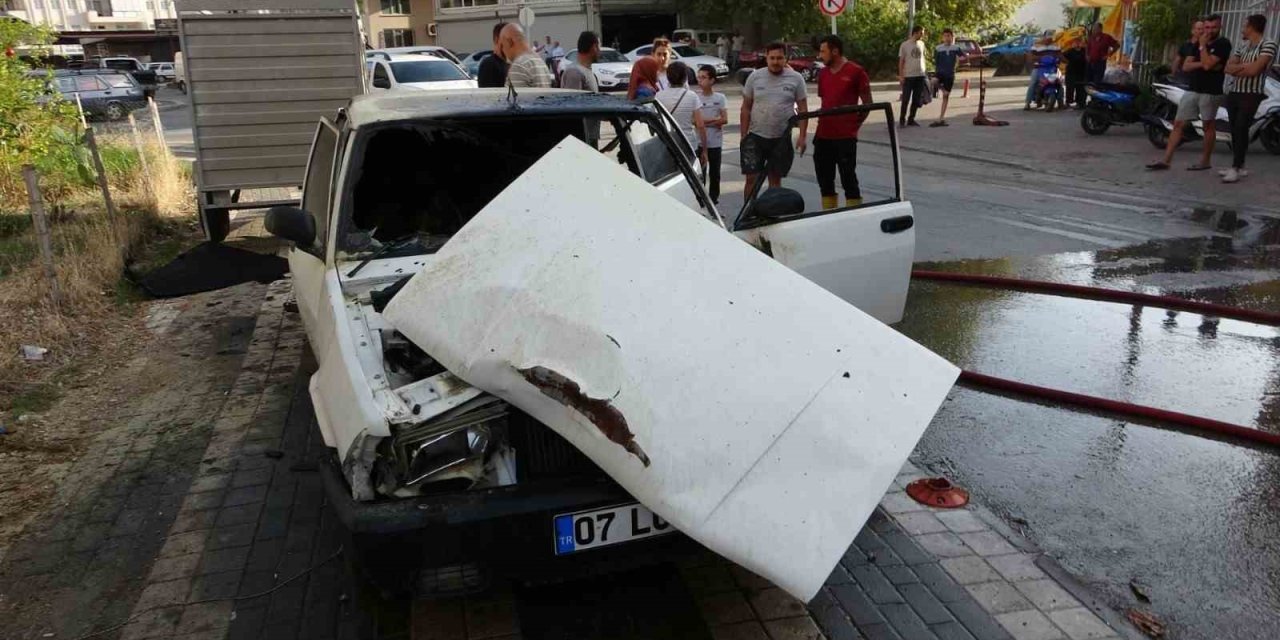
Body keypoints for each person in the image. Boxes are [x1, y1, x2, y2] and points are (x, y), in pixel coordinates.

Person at [1147, 14, 1231, 171]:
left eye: (1214, 27)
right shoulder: (1196, 43)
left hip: (1211, 91)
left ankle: (1205, 161)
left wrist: (1203, 48)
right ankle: (1166, 160)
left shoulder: (1223, 44)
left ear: (1220, 27)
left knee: (1208, 125)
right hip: (1193, 88)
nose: (1209, 30)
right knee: (1178, 123)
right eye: (1207, 27)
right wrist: (1205, 62)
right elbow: (1187, 66)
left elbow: (1207, 65)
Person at [741, 42, 809, 196]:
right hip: (755, 136)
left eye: (779, 58)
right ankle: (749, 214)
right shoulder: (755, 77)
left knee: (775, 178)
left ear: (786, 59)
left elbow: (803, 109)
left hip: (781, 139)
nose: (775, 62)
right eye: (772, 58)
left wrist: (803, 136)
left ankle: (772, 213)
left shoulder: (796, 78)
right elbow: (745, 107)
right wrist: (743, 136)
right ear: (766, 58)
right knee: (751, 178)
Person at [814, 34, 872, 210]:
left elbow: (867, 104)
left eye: (823, 51)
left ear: (835, 51)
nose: (819, 55)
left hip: (845, 137)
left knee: (848, 177)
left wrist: (853, 124)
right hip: (823, 135)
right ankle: (829, 213)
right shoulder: (823, 73)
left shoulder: (856, 71)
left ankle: (854, 214)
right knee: (824, 179)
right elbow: (826, 99)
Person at [1221, 14, 1276, 183]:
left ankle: (1235, 167)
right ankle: (1240, 165)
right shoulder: (1242, 47)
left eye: (1244, 26)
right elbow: (1227, 68)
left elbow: (1255, 71)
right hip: (1235, 92)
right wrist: (1246, 66)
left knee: (1241, 127)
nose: (1242, 29)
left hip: (1251, 94)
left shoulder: (1268, 44)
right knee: (1235, 130)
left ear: (1252, 27)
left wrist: (1242, 68)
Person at [656, 62, 708, 167]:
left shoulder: (658, 96)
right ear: (685, 77)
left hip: (668, 143)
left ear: (668, 77)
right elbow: (700, 126)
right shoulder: (692, 96)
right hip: (688, 143)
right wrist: (705, 150)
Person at [695, 64, 728, 203]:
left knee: (715, 173)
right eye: (699, 77)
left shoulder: (720, 98)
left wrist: (704, 122)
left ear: (712, 80)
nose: (700, 80)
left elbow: (724, 119)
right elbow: (694, 121)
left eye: (704, 77)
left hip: (715, 142)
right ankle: (700, 200)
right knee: (700, 173)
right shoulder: (695, 98)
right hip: (699, 141)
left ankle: (714, 200)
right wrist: (714, 120)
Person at [501, 23, 554, 88]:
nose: (503, 50)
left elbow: (514, 97)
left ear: (509, 42)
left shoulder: (518, 66)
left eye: (502, 45)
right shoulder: (539, 61)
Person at [932, 28, 963, 127]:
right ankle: (942, 89)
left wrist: (978, 56)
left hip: (950, 74)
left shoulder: (956, 48)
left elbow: (963, 57)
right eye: (945, 36)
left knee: (946, 96)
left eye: (949, 36)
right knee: (932, 81)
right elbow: (936, 61)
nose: (947, 38)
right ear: (942, 37)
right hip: (940, 72)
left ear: (952, 37)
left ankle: (941, 117)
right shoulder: (938, 48)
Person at [898, 26, 927, 127]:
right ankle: (902, 119)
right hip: (909, 76)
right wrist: (901, 76)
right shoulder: (905, 45)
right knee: (905, 98)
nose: (922, 35)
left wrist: (925, 72)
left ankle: (911, 119)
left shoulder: (922, 44)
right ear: (915, 33)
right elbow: (901, 61)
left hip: (920, 75)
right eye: (921, 33)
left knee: (916, 98)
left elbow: (923, 58)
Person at [477, 22, 509, 89]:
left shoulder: (508, 64)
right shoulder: (489, 64)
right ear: (496, 39)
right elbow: (489, 95)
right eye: (507, 39)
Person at [1172, 19, 1205, 84]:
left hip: (1198, 79)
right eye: (1198, 29)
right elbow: (1177, 60)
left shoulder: (1205, 46)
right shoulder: (1186, 45)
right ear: (1193, 31)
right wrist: (1173, 74)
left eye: (1202, 29)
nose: (1201, 31)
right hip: (1184, 78)